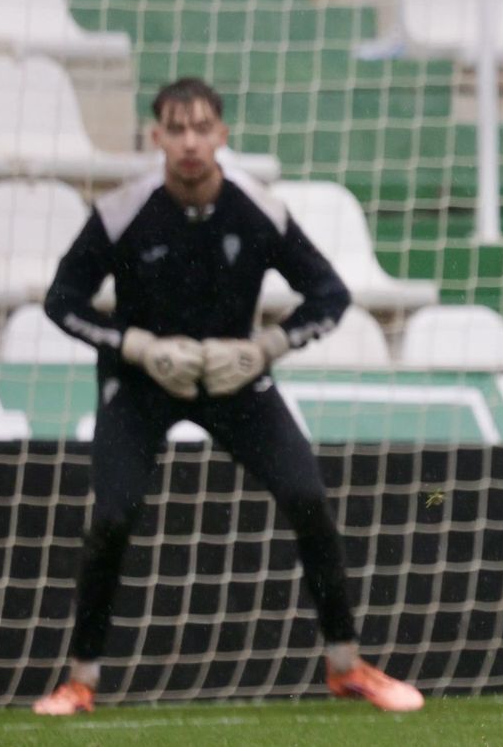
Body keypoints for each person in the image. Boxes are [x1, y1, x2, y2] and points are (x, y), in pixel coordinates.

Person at [32, 78, 423, 716]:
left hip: (235, 382)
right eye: (176, 129)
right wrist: (134, 346)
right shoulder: (122, 211)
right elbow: (61, 301)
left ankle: (347, 666)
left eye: (202, 128)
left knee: (307, 496)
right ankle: (80, 680)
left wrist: (263, 349)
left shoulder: (257, 209)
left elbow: (331, 295)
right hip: (141, 384)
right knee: (112, 515)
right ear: (155, 137)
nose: (190, 142)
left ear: (222, 134)